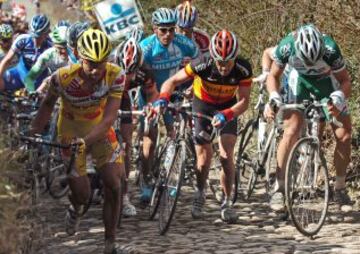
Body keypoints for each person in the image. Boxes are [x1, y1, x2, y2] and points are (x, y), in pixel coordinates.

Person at [30, 28, 125, 254]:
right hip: (70, 132)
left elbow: (110, 118)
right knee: (82, 195)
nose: (95, 70)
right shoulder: (62, 78)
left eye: (101, 63)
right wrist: (34, 133)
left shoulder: (116, 75)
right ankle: (75, 207)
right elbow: (47, 106)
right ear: (77, 55)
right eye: (90, 63)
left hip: (100, 130)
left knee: (114, 184)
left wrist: (87, 140)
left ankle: (109, 244)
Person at [153, 29, 252, 223]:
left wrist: (227, 114)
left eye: (228, 62)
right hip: (203, 104)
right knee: (203, 157)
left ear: (236, 58)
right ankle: (200, 193)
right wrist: (163, 99)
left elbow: (245, 101)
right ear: (213, 57)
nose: (223, 67)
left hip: (228, 107)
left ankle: (226, 201)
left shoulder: (243, 68)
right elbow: (171, 81)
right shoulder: (203, 63)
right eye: (220, 62)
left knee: (226, 154)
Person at [264, 24, 352, 210]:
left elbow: (345, 80)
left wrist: (338, 98)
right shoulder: (287, 46)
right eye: (307, 59)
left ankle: (340, 188)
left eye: (315, 59)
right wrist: (274, 96)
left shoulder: (330, 49)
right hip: (300, 82)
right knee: (291, 131)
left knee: (344, 136)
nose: (311, 63)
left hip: (328, 83)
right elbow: (273, 76)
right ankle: (279, 188)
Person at [139, 7, 199, 202]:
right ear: (154, 29)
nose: (168, 34)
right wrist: (153, 103)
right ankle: (145, 178)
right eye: (163, 30)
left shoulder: (184, 43)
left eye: (171, 29)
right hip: (150, 92)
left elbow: (202, 64)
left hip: (173, 92)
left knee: (175, 134)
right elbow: (141, 77)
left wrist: (193, 87)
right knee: (150, 136)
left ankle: (172, 176)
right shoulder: (146, 48)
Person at [113, 37, 156, 217]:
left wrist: (150, 107)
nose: (128, 76)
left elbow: (153, 94)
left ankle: (124, 197)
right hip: (105, 96)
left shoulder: (144, 71)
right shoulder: (108, 66)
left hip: (123, 100)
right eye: (124, 71)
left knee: (126, 146)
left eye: (132, 72)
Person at [0, 14, 52, 92]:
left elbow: (55, 73)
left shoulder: (51, 47)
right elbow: (7, 60)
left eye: (38, 37)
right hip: (20, 72)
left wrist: (41, 89)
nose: (35, 40)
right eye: (33, 36)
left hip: (38, 79)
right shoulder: (23, 39)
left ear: (46, 34)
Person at [24, 26, 70, 93]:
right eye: (59, 48)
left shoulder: (77, 58)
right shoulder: (47, 55)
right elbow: (29, 78)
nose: (63, 51)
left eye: (65, 48)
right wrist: (32, 93)